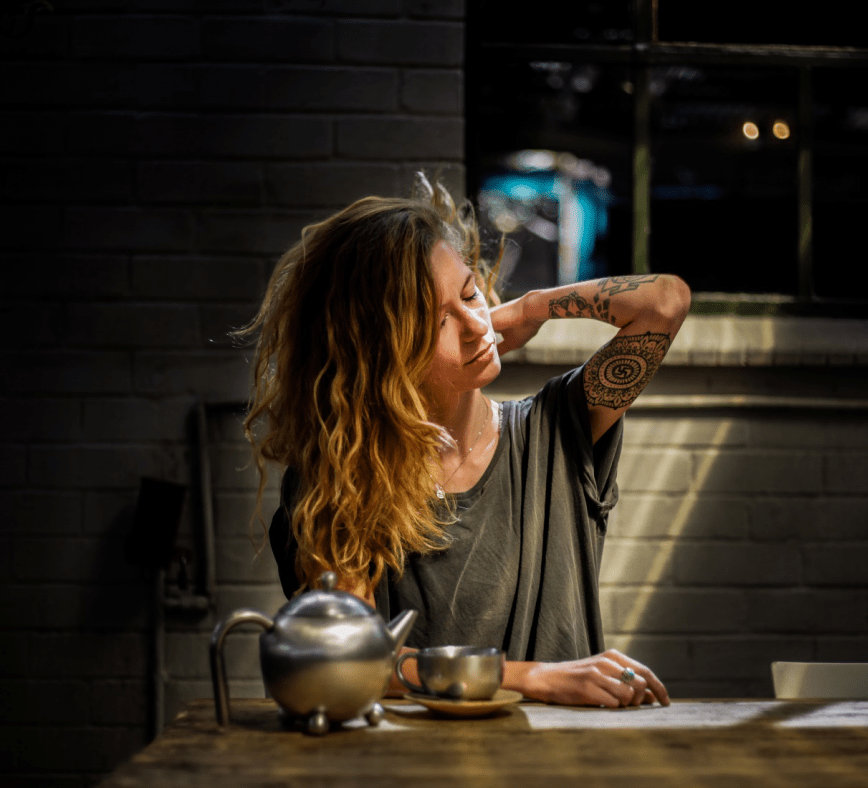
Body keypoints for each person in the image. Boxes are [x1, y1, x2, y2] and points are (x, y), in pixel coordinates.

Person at [236, 177, 690, 708]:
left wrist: (529, 308)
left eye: (471, 292)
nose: (476, 326)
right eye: (436, 322)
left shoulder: (558, 429)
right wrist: (533, 676)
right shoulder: (339, 480)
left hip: (565, 770)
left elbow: (664, 303)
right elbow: (349, 661)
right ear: (382, 355)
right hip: (416, 778)